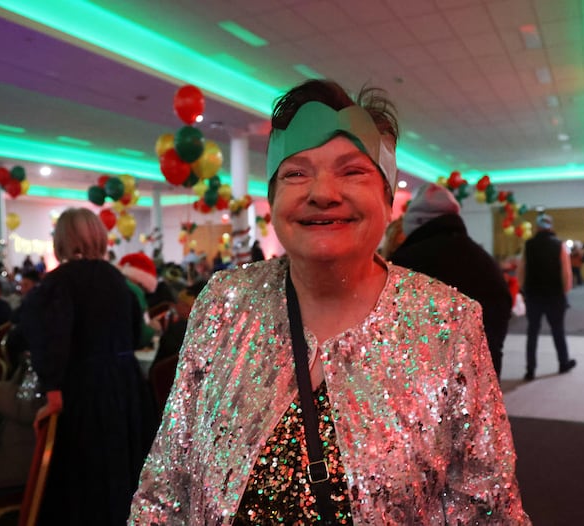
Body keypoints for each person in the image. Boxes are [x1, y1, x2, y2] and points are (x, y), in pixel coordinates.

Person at [130, 79, 529, 524]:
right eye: (296, 173)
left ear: (387, 197)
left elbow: (489, 512)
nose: (322, 192)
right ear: (273, 198)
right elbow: (165, 491)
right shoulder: (224, 304)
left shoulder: (448, 324)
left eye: (352, 171)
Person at [20, 208, 157, 525]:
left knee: (85, 480)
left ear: (61, 240)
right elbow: (136, 334)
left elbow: (51, 339)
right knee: (122, 474)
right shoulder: (118, 280)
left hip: (83, 389)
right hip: (126, 386)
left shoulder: (59, 283)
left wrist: (52, 389)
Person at [390, 183, 512, 378]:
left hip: (423, 383)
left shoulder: (405, 263)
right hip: (482, 378)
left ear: (413, 223)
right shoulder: (484, 262)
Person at [519, 214, 576, 381]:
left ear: (537, 227)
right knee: (558, 330)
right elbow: (566, 272)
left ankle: (530, 369)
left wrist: (523, 289)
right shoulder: (559, 245)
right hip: (554, 295)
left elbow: (522, 269)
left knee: (532, 332)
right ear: (551, 226)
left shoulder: (528, 245)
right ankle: (563, 363)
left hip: (533, 295)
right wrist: (565, 291)